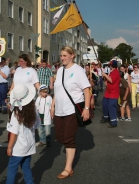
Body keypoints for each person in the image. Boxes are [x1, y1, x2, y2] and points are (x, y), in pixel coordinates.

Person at [51, 46, 91, 179]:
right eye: (61, 56)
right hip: (59, 110)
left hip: (71, 110)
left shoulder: (78, 70)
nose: (62, 58)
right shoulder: (60, 70)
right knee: (60, 137)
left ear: (72, 55)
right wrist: (52, 106)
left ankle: (68, 168)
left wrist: (86, 108)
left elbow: (86, 90)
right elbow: (58, 89)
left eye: (64, 55)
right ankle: (70, 154)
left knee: (68, 138)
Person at [6, 83, 40, 184]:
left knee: (12, 168)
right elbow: (37, 126)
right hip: (29, 144)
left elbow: (14, 133)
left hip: (18, 147)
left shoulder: (16, 114)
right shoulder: (34, 110)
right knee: (26, 168)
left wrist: (9, 147)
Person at [101, 60, 120, 128]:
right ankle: (106, 117)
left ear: (112, 65)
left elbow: (112, 80)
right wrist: (105, 82)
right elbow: (109, 81)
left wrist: (105, 75)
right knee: (105, 104)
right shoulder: (111, 72)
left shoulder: (116, 72)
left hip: (113, 93)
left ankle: (113, 122)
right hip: (108, 92)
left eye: (110, 65)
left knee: (111, 107)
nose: (109, 66)